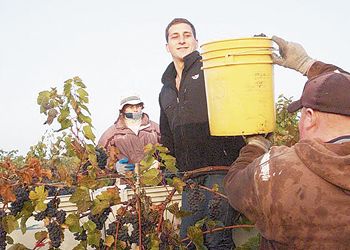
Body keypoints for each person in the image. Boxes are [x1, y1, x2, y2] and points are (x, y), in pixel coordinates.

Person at [224, 36, 350, 249]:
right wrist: (307, 64)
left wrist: (255, 145)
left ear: (309, 116)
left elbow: (234, 186)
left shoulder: (277, 169)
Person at [159, 18, 245, 249]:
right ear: (167, 45)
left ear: (196, 41)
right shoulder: (165, 91)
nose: (181, 40)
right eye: (175, 36)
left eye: (187, 35)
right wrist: (169, 170)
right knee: (189, 239)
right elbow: (166, 137)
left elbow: (237, 102)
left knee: (218, 237)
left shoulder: (210, 71)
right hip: (191, 176)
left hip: (220, 168)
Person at [98, 93, 160, 173]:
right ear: (123, 109)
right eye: (131, 107)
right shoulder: (112, 134)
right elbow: (100, 158)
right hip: (125, 182)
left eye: (138, 106)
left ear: (142, 107)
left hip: (155, 180)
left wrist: (159, 163)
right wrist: (115, 167)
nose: (135, 109)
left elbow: (168, 151)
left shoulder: (155, 129)